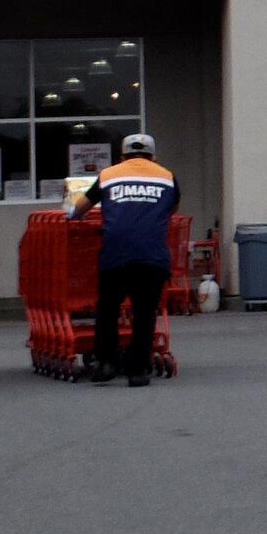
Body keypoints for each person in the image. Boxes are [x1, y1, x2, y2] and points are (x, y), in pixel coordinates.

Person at [76, 133, 178, 387]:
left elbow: (82, 207)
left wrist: (71, 215)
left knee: (108, 308)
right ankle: (137, 370)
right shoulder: (166, 176)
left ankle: (107, 363)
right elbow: (172, 209)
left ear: (122, 156)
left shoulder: (109, 174)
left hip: (116, 253)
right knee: (144, 311)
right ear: (153, 156)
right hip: (152, 255)